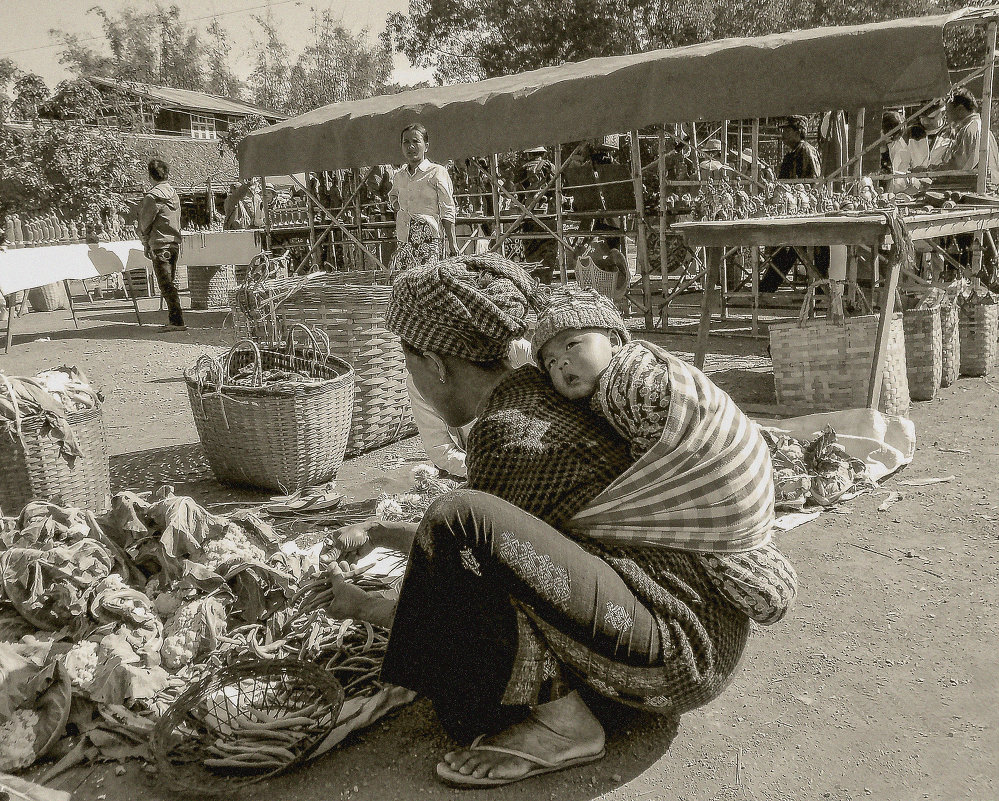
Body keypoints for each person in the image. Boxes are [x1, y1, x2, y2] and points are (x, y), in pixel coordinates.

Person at [331, 253, 778, 788]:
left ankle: (566, 728)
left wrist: (366, 608)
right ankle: (577, 704)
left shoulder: (506, 430)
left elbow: (478, 576)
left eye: (411, 369)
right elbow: (536, 539)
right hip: (703, 628)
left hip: (679, 653)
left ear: (436, 362)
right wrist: (388, 535)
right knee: (460, 526)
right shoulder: (543, 388)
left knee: (458, 537)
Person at [760, 116, 827, 292]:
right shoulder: (794, 152)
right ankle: (768, 286)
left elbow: (813, 182)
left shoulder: (806, 151)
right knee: (787, 249)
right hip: (792, 209)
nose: (783, 135)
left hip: (803, 209)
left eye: (787, 131)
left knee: (792, 249)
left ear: (798, 132)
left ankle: (768, 287)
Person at [388, 123, 459, 274]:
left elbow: (447, 208)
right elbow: (393, 195)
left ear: (426, 146)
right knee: (406, 287)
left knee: (428, 286)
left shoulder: (437, 172)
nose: (410, 146)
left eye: (415, 141)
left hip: (430, 241)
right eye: (406, 142)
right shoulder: (399, 176)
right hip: (404, 240)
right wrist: (398, 207)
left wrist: (452, 243)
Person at [136, 158, 185, 331]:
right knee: (170, 281)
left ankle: (176, 321)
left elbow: (145, 222)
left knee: (165, 284)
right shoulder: (174, 194)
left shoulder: (152, 196)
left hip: (159, 243)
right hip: (173, 243)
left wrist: (144, 239)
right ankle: (176, 319)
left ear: (150, 176)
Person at [930, 88, 999, 190]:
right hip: (990, 189)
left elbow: (957, 167)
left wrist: (931, 171)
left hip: (975, 191)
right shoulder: (984, 129)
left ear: (960, 109)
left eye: (948, 111)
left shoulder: (970, 129)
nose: (946, 116)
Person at [880, 111, 913, 193]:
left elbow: (895, 173)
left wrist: (907, 179)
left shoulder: (900, 146)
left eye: (895, 138)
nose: (893, 140)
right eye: (891, 137)